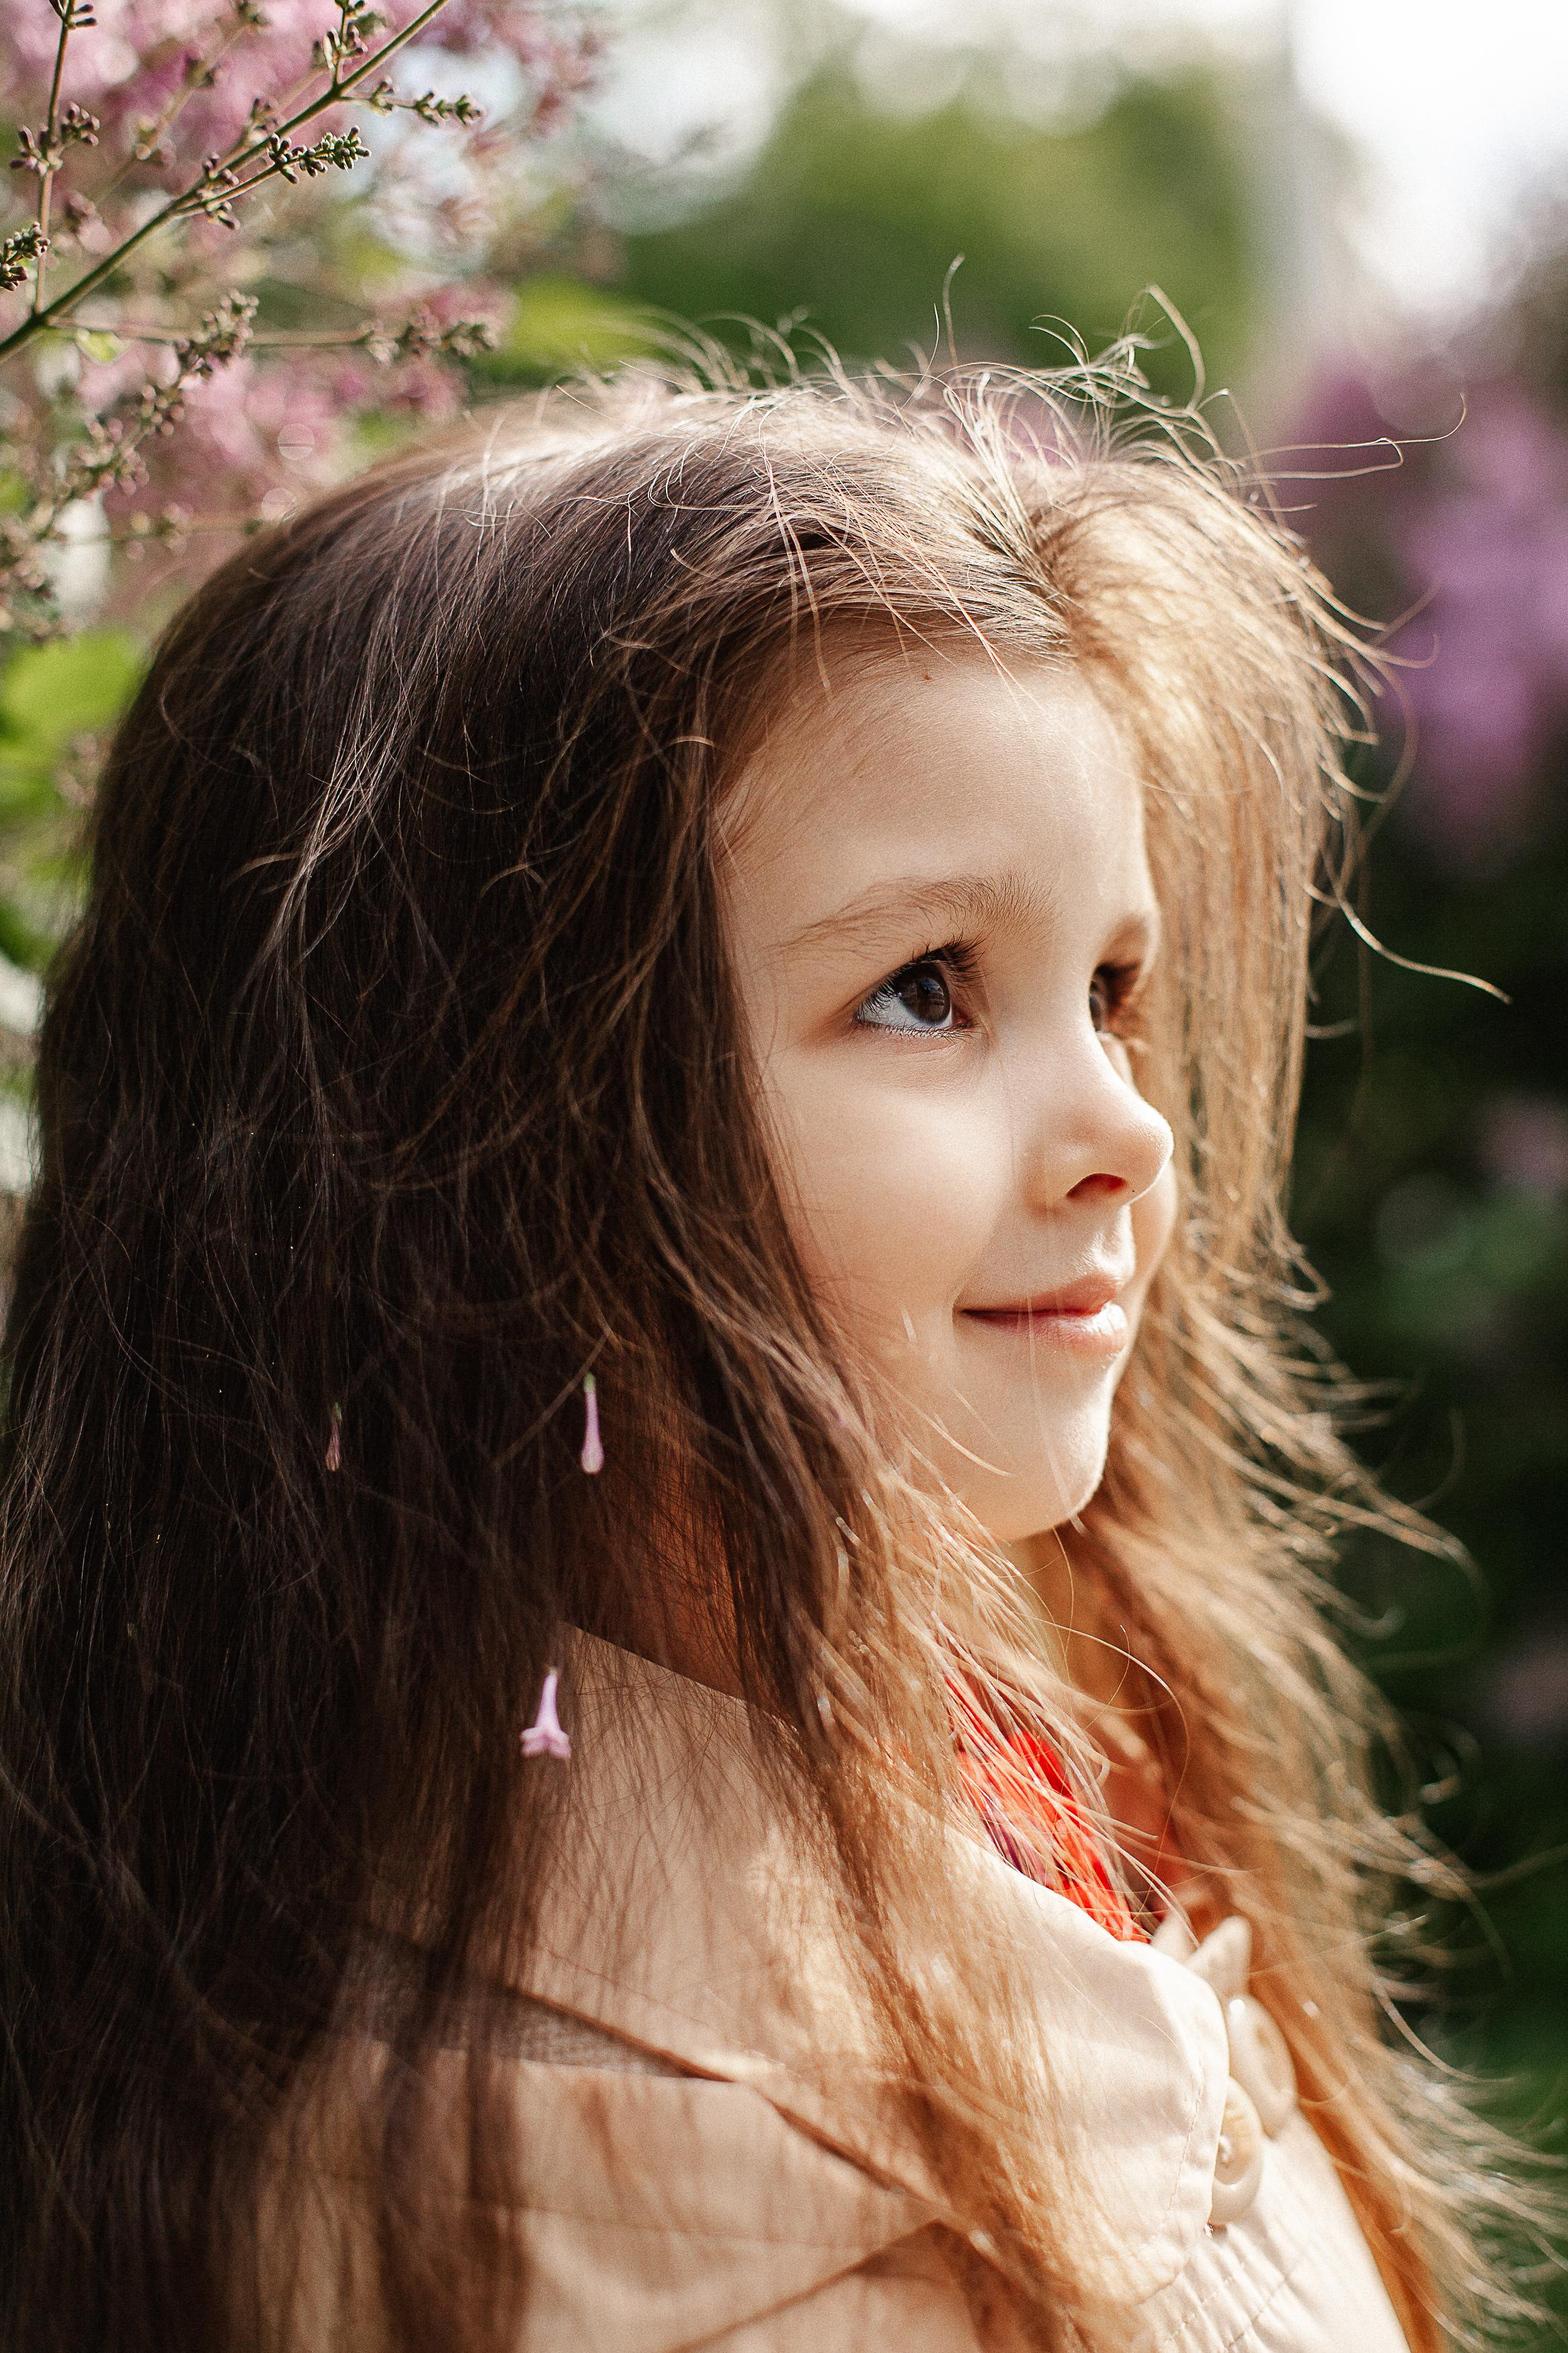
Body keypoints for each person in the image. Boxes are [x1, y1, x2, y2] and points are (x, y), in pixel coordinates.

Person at [0, 364, 1538, 2353]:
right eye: (924, 991)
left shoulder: (982, 1759)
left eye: (1115, 986)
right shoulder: (660, 2224)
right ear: (462, 1135)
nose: (1127, 1128)